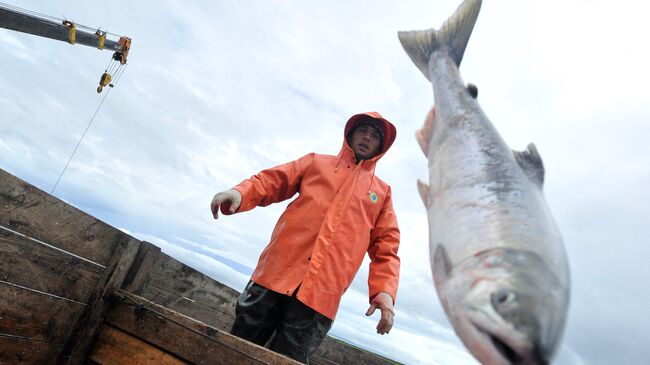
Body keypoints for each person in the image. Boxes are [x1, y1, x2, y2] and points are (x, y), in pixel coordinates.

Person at [210, 112, 400, 363]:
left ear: (381, 146)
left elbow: (386, 248)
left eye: (375, 136)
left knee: (289, 360)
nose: (367, 137)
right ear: (350, 134)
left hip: (321, 297)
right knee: (235, 351)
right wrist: (239, 193)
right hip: (274, 276)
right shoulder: (315, 163)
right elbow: (271, 181)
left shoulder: (381, 193)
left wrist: (384, 292)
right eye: (363, 130)